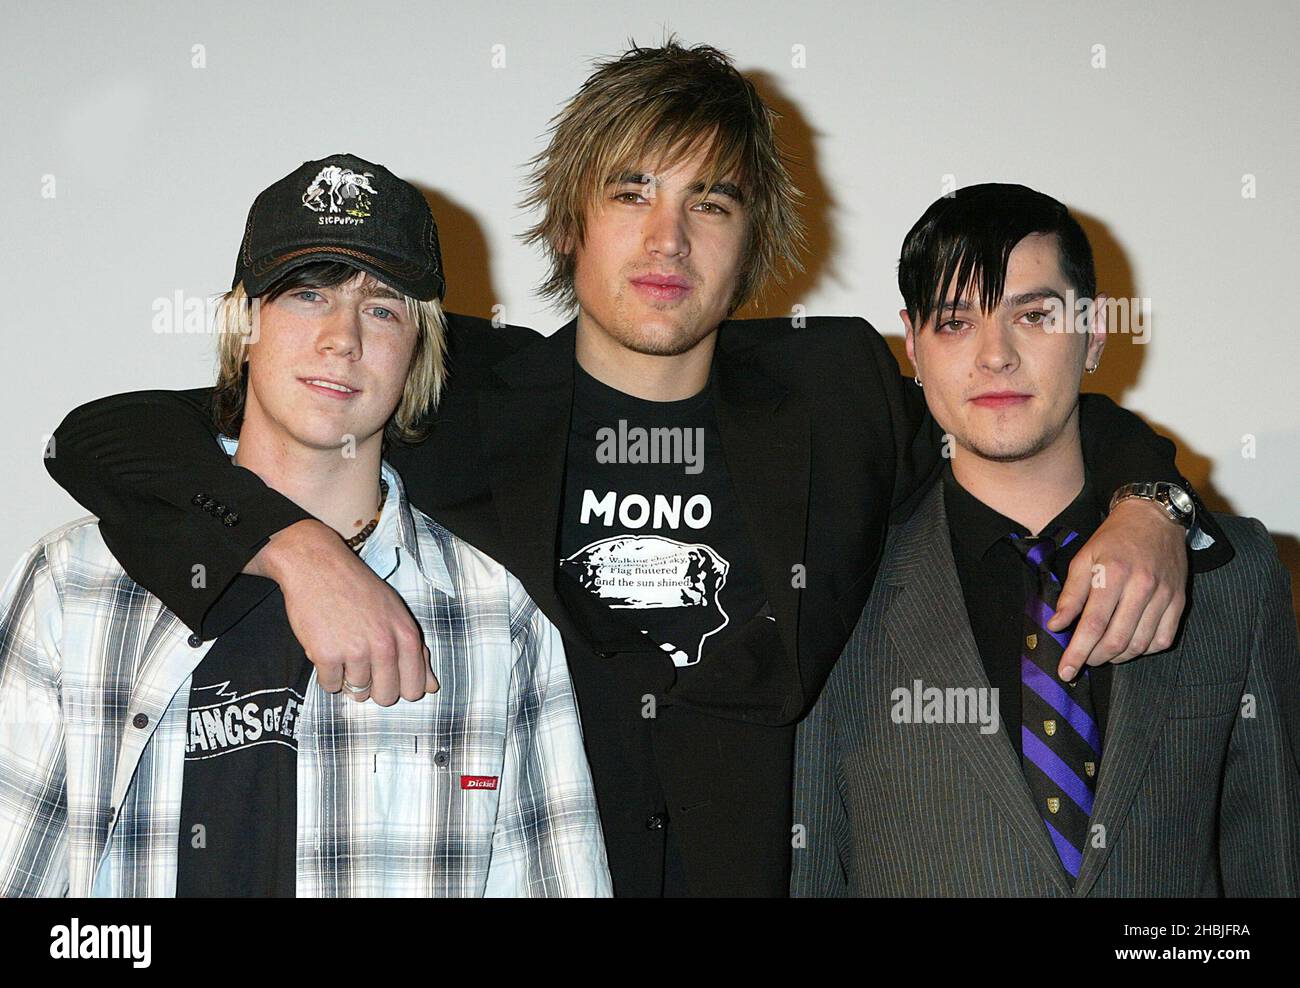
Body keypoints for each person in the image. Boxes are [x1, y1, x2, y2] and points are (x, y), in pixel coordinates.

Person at [43, 43, 1225, 897]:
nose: (667, 241)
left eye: (709, 202)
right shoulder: (467, 396)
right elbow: (109, 436)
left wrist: (1152, 501)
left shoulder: (837, 396)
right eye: (631, 194)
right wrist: (291, 548)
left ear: (751, 237)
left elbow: (1015, 409)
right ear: (571, 226)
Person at [0, 154, 611, 897]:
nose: (342, 338)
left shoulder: (494, 612)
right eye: (308, 295)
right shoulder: (78, 584)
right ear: (244, 323)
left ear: (420, 351)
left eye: (382, 307)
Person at [791, 184, 1300, 897]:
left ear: (1093, 334)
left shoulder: (1232, 577)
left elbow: (1272, 868)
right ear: (913, 345)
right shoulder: (841, 585)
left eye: (1033, 316)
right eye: (955, 322)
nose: (995, 356)